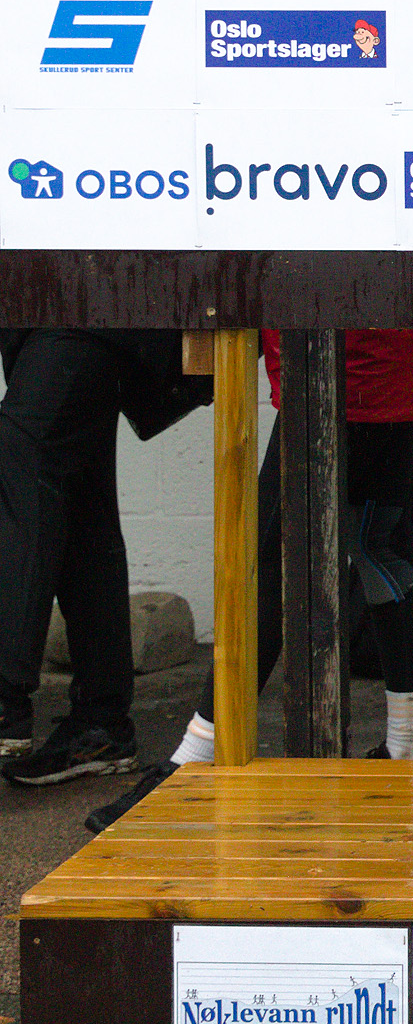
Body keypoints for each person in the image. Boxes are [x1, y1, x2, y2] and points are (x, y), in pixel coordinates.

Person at [86, 330, 413, 831]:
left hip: (347, 353)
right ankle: (410, 749)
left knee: (278, 557)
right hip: (351, 349)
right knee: (376, 544)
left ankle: (198, 757)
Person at [0, 330, 209, 785]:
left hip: (90, 307)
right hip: (73, 310)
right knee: (78, 498)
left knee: (25, 465)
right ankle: (101, 721)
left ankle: (7, 698)